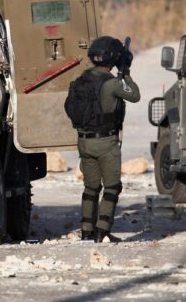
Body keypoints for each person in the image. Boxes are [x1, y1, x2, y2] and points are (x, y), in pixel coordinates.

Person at [64, 36, 140, 242]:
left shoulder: (82, 80)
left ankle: (87, 230)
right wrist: (126, 74)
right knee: (112, 187)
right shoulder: (112, 83)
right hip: (106, 143)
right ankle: (103, 231)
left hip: (84, 141)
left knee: (91, 188)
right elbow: (134, 95)